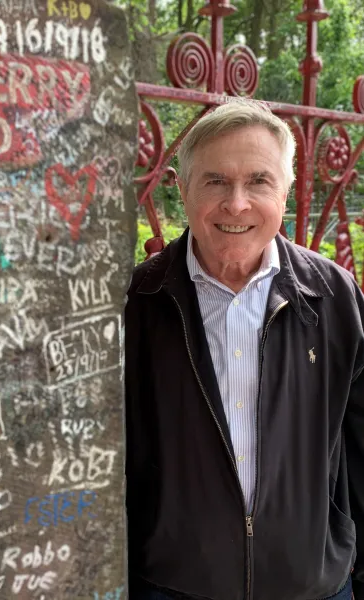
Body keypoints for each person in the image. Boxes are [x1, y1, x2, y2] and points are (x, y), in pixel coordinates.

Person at [125, 99, 364, 600]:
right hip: (173, 587)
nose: (236, 204)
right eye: (215, 181)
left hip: (311, 587)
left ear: (286, 191)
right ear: (180, 189)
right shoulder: (136, 302)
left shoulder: (338, 298)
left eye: (259, 181)